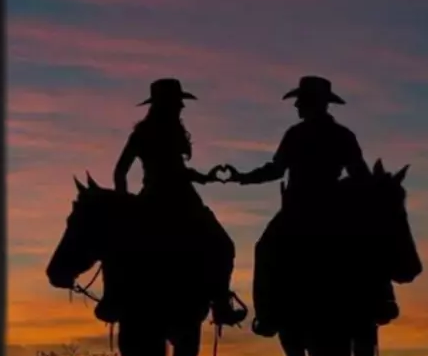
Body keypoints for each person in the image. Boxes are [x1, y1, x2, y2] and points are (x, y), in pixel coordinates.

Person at [222, 76, 396, 339]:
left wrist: (243, 178)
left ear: (312, 103)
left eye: (301, 101)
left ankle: (267, 316)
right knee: (368, 245)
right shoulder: (343, 135)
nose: (297, 106)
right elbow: (359, 174)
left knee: (265, 248)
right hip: (333, 208)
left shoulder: (296, 134)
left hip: (297, 210)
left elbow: (276, 170)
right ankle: (382, 300)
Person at [113, 78, 246, 327]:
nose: (181, 107)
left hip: (158, 196)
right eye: (177, 103)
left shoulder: (146, 133)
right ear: (166, 105)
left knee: (123, 245)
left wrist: (203, 177)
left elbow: (123, 171)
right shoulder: (151, 133)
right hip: (177, 198)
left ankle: (115, 298)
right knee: (222, 244)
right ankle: (220, 303)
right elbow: (125, 171)